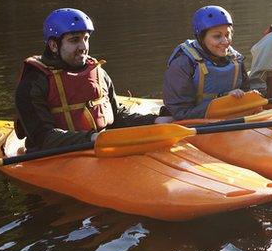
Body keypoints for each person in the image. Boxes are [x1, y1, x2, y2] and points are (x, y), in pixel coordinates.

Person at [14, 8, 164, 152]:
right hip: (55, 156)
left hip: (99, 146)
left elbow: (116, 115)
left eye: (86, 39)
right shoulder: (34, 82)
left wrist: (156, 120)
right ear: (53, 45)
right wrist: (93, 138)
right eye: (74, 40)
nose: (83, 47)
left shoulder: (98, 72)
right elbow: (43, 138)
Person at [163, 5, 249, 120]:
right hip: (196, 125)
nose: (225, 41)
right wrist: (224, 100)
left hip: (229, 119)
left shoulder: (236, 59)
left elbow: (247, 93)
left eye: (227, 34)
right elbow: (180, 113)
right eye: (217, 36)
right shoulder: (183, 64)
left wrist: (244, 97)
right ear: (201, 38)